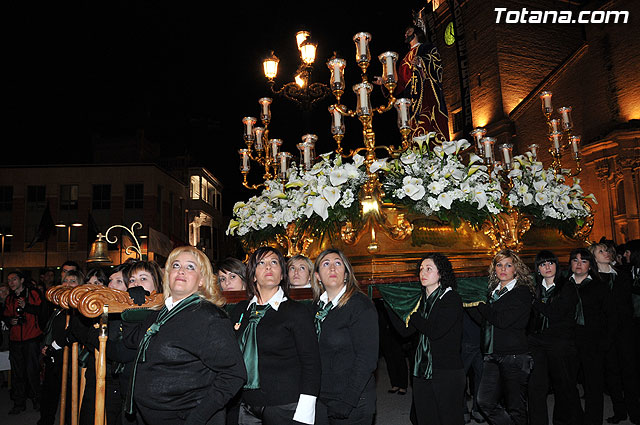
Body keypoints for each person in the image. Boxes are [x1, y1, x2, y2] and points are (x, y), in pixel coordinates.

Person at [123, 245, 247, 425]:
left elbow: (234, 374)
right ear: (167, 276)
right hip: (148, 417)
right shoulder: (159, 315)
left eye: (190, 267)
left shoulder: (209, 317)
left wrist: (197, 418)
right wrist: (131, 304)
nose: (181, 271)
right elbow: (132, 341)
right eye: (175, 265)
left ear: (202, 281)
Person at [230, 246, 321, 425]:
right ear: (253, 275)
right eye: (261, 263)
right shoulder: (240, 310)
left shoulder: (296, 312)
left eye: (274, 263)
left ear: (282, 274)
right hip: (244, 405)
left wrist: (306, 409)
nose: (268, 267)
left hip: (285, 405)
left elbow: (311, 362)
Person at [388, 253, 465, 425]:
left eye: (429, 269)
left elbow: (435, 331)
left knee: (449, 419)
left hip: (447, 371)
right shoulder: (422, 301)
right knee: (424, 418)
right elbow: (404, 331)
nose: (423, 272)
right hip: (422, 370)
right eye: (421, 269)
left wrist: (414, 316)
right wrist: (390, 303)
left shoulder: (451, 298)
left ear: (441, 273)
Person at [466, 249, 534, 425]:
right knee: (484, 402)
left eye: (508, 265)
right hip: (492, 355)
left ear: (516, 269)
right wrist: (469, 302)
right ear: (494, 269)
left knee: (516, 407)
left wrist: (481, 305)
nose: (503, 269)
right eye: (499, 265)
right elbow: (485, 321)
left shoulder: (522, 292)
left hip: (515, 357)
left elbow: (502, 320)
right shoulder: (493, 293)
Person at [311, 249, 378, 425]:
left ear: (346, 274)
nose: (332, 268)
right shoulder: (315, 308)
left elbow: (367, 359)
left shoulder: (360, 306)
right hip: (321, 399)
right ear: (317, 276)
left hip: (351, 400)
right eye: (326, 264)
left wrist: (347, 401)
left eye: (338, 263)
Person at [527, 250, 580, 425]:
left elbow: (556, 313)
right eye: (543, 264)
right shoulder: (534, 287)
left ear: (557, 265)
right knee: (536, 387)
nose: (547, 267)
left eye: (550, 263)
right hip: (537, 342)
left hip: (560, 342)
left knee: (563, 386)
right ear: (538, 269)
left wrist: (535, 302)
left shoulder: (567, 286)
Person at [589, 243, 640, 424]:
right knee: (612, 372)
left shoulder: (622, 274)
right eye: (600, 251)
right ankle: (619, 411)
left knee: (630, 371)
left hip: (625, 330)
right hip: (604, 332)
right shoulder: (591, 279)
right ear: (594, 258)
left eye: (607, 250)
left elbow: (628, 302)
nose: (606, 253)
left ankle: (635, 411)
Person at [375, 23, 449, 140]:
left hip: (426, 93)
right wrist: (385, 83)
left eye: (408, 32)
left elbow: (437, 65)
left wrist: (422, 62)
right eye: (405, 33)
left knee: (429, 122)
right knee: (414, 128)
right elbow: (400, 84)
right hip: (411, 100)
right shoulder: (404, 60)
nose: (405, 34)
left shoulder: (427, 48)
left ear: (416, 33)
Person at [568, 247, 615, 425]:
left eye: (584, 261)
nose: (579, 264)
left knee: (593, 386)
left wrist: (606, 342)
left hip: (593, 343)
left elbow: (612, 316)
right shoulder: (564, 285)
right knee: (568, 383)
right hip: (569, 343)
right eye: (575, 260)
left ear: (590, 264)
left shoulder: (599, 286)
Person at [38, 268, 83, 425]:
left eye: (73, 281)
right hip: (53, 355)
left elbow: (71, 333)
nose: (68, 284)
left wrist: (54, 346)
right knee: (49, 393)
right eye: (65, 280)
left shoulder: (78, 307)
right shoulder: (59, 306)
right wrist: (47, 346)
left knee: (68, 396)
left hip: (68, 356)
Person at [2, 270, 43, 414]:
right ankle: (19, 403)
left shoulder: (33, 293)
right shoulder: (9, 298)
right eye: (9, 280)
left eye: (14, 279)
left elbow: (42, 312)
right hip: (15, 340)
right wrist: (10, 320)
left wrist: (27, 307)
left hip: (31, 339)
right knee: (17, 373)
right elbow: (5, 315)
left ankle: (37, 401)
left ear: (22, 280)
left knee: (32, 372)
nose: (11, 282)